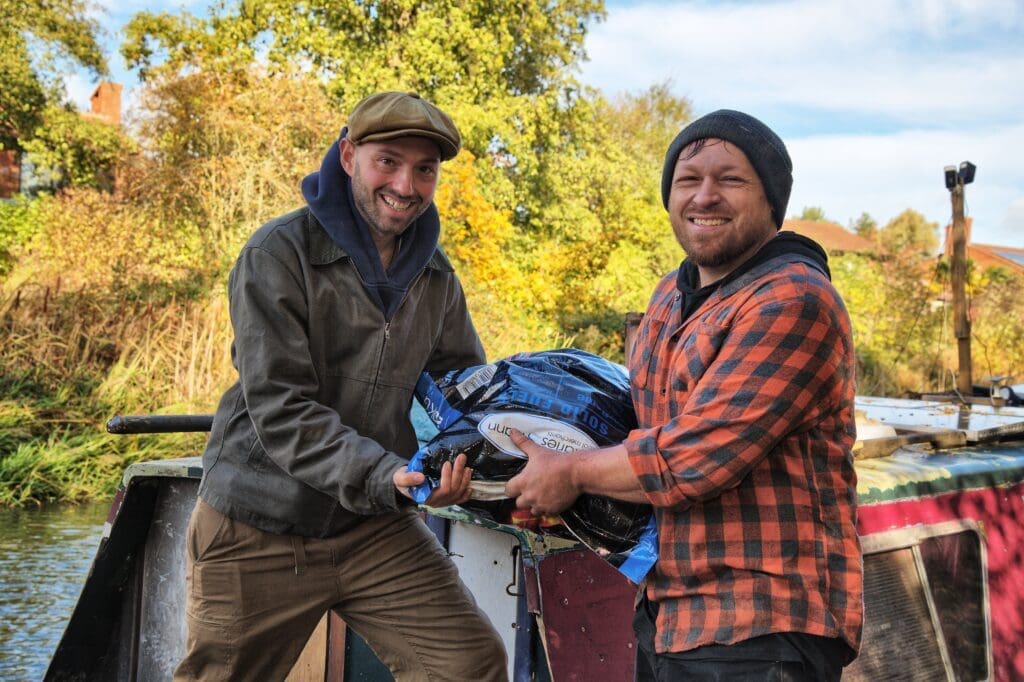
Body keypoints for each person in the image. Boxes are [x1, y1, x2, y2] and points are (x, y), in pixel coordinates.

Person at [505, 110, 863, 681]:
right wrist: (513, 469)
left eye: (730, 179)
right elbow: (630, 425)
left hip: (762, 625)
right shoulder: (671, 294)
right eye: (688, 179)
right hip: (667, 611)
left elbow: (695, 456)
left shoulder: (794, 299)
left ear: (771, 199)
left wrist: (570, 473)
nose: (705, 195)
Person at [175, 91, 508, 681]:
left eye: (425, 169)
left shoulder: (437, 276)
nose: (406, 185)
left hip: (371, 528)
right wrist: (386, 475)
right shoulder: (278, 253)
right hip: (259, 523)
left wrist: (464, 468)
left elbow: (461, 391)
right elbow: (282, 409)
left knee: (470, 665)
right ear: (349, 156)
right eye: (388, 162)